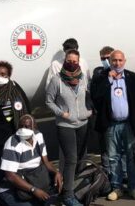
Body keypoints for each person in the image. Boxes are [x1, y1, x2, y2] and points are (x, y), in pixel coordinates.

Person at [91, 49, 135, 201]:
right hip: (111, 124)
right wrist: (108, 79)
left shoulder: (132, 77)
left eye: (120, 60)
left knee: (131, 156)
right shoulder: (101, 77)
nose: (117, 63)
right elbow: (96, 97)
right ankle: (117, 187)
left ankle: (133, 187)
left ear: (124, 61)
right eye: (114, 60)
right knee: (113, 158)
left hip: (129, 124)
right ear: (110, 61)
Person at [45, 49, 93, 206]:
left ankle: (77, 188)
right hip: (65, 124)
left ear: (79, 62)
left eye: (75, 61)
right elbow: (49, 101)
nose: (72, 64)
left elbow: (89, 95)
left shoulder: (83, 78)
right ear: (64, 61)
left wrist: (89, 110)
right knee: (71, 159)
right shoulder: (57, 80)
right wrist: (61, 113)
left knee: (81, 157)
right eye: (69, 61)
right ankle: (67, 195)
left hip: (83, 123)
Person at [0, 115, 63, 206]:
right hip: (13, 190)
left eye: (27, 126)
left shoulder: (38, 136)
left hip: (34, 181)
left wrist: (56, 172)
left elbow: (46, 162)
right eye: (21, 126)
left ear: (34, 127)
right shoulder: (12, 144)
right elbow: (10, 176)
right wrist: (34, 190)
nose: (23, 129)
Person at [90, 45, 115, 175]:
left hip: (118, 117)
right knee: (105, 148)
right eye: (102, 58)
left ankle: (122, 174)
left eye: (107, 58)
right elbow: (95, 93)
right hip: (103, 117)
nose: (105, 61)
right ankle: (107, 173)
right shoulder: (99, 73)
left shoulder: (122, 73)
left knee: (118, 147)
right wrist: (108, 78)